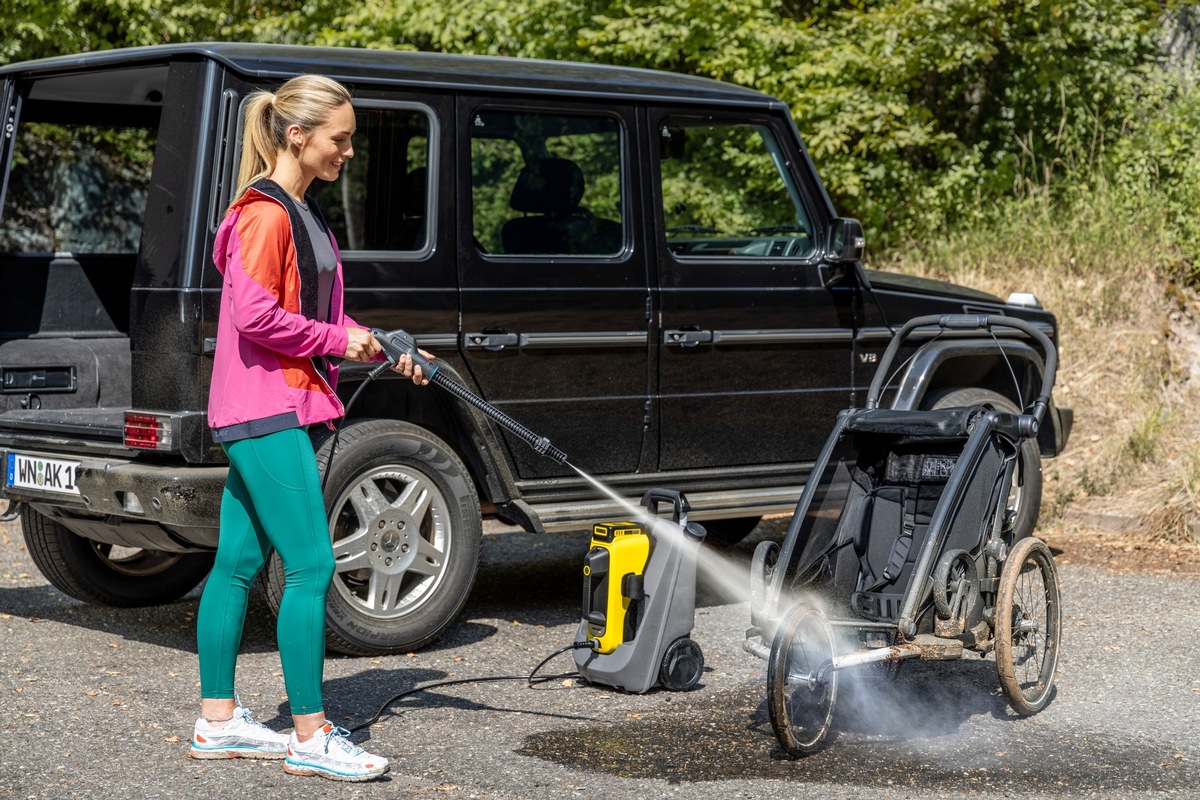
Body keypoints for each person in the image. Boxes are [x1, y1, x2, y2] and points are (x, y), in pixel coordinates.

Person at [189, 74, 427, 782]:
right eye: (340, 138)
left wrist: (380, 344)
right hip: (267, 408)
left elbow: (313, 310)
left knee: (234, 565)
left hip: (268, 406)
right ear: (298, 135)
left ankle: (219, 722)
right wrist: (335, 340)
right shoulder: (265, 214)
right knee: (313, 565)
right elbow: (253, 316)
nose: (348, 151)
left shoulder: (299, 212)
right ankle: (309, 735)